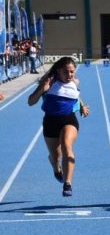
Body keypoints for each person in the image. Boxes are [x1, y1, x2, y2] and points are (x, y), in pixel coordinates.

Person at [27, 57, 90, 197]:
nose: (69, 75)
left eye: (72, 72)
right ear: (58, 71)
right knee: (56, 158)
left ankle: (67, 184)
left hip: (69, 120)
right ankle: (56, 167)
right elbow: (30, 102)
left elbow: (75, 94)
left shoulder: (75, 82)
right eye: (66, 72)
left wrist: (82, 107)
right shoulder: (49, 82)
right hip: (50, 122)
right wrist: (42, 89)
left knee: (67, 147)